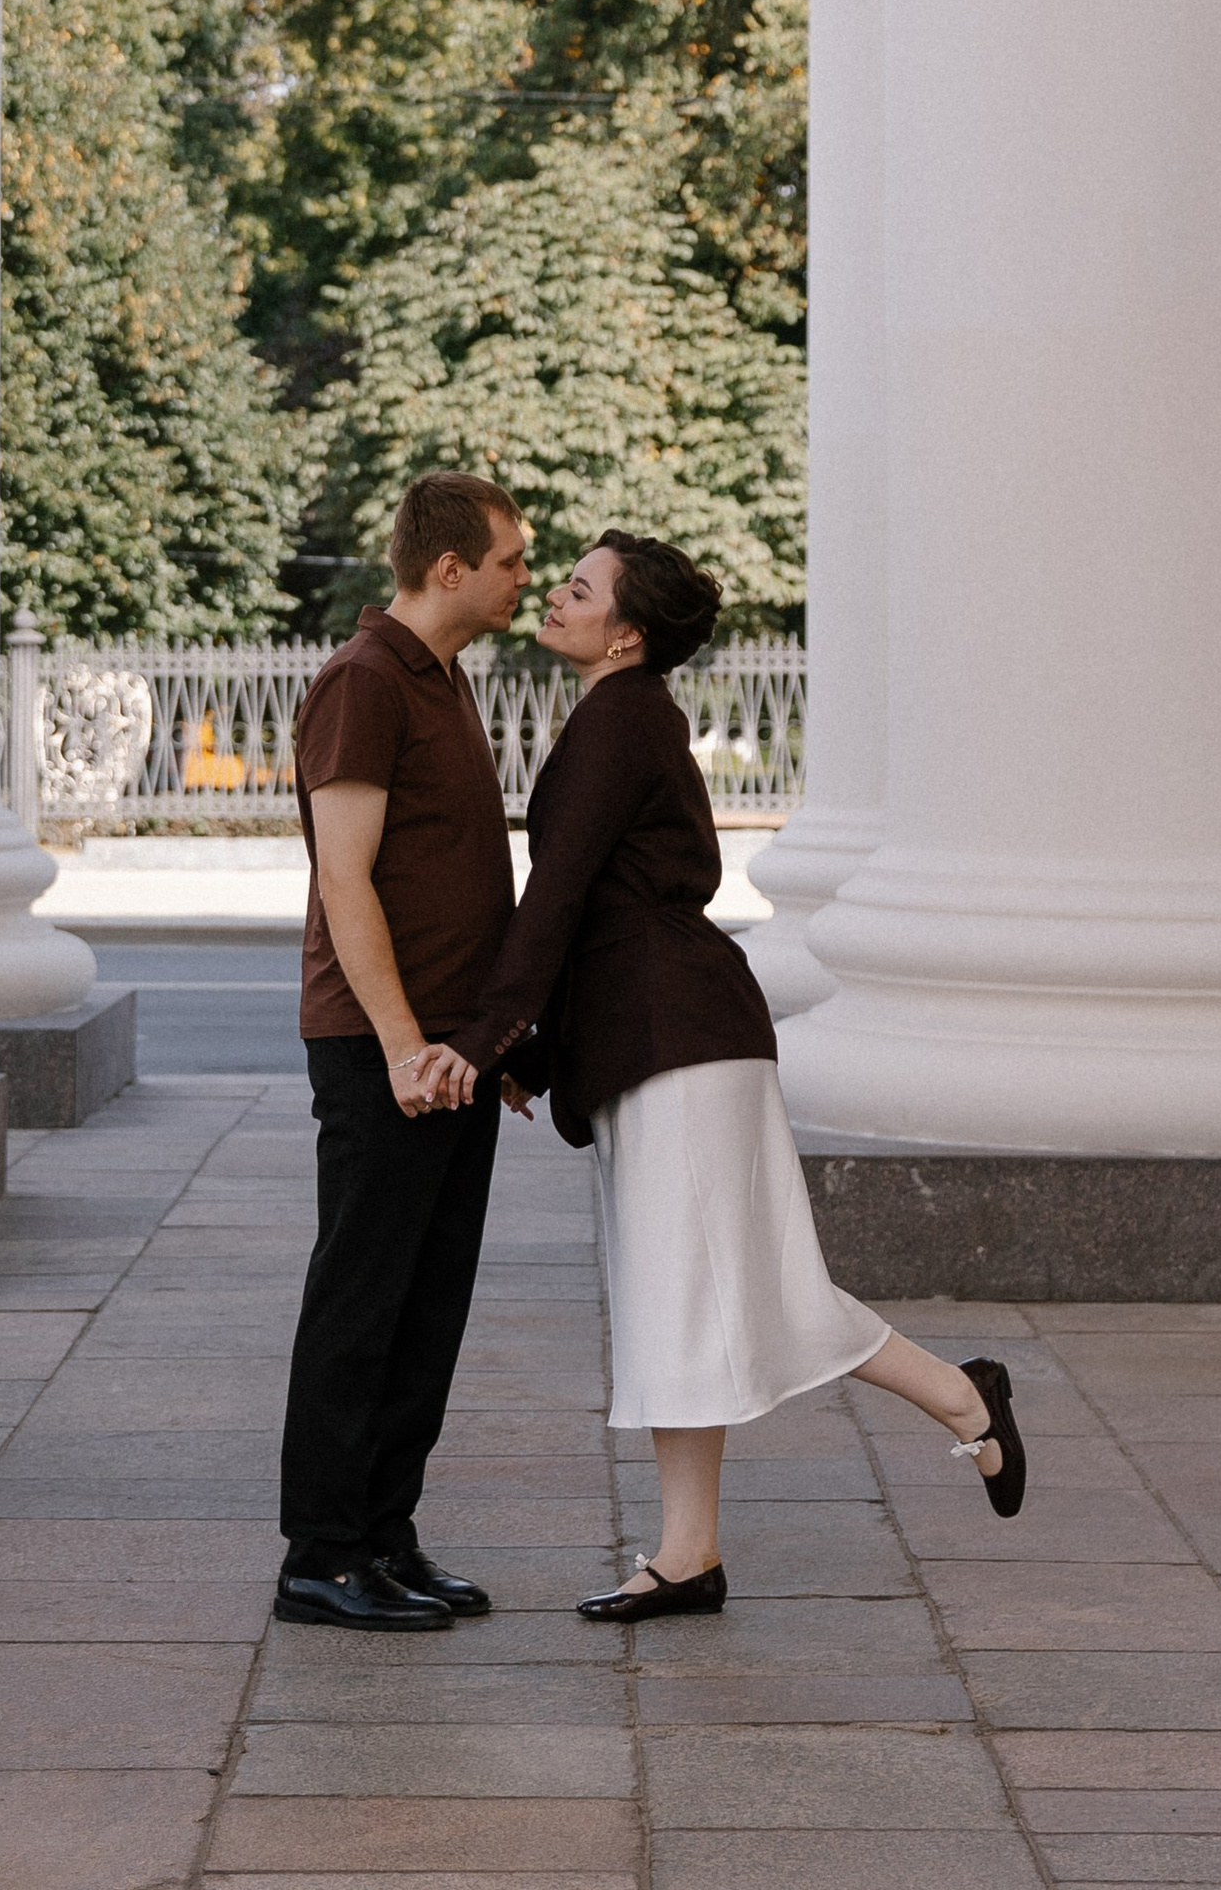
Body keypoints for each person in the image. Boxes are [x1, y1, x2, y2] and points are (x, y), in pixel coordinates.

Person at [438, 529, 1025, 1618]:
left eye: (577, 589)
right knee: (682, 1297)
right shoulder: (616, 716)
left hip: (682, 1043)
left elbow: (558, 900)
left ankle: (960, 1396)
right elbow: (596, 916)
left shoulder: (621, 722)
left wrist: (482, 1042)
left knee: (745, 1291)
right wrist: (530, 1049)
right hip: (662, 1034)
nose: (554, 600)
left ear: (627, 633)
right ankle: (689, 1552)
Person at [273, 470, 534, 1631]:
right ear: (449, 570)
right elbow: (345, 877)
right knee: (363, 1300)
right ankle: (322, 1553)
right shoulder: (364, 681)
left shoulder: (440, 678)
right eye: (514, 561)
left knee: (427, 1305)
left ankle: (387, 1535)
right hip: (387, 1050)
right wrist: (399, 1045)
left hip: (450, 1055)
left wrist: (490, 1044)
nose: (527, 578)